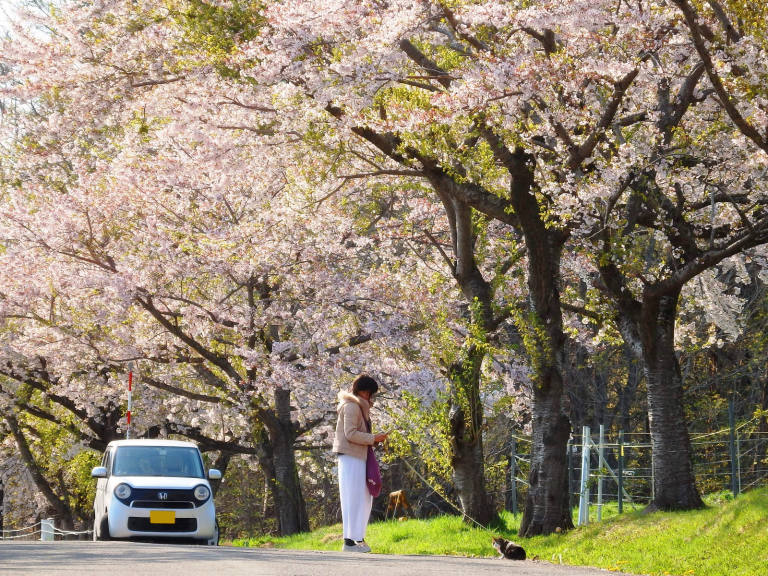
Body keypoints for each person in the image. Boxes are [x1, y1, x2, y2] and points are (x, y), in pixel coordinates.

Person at [332, 374, 389, 553]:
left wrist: (374, 439)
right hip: (351, 456)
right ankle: (349, 541)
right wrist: (373, 438)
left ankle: (357, 537)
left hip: (357, 456)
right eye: (369, 393)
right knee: (353, 497)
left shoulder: (358, 407)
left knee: (363, 497)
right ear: (363, 391)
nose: (370, 397)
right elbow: (350, 433)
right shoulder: (352, 406)